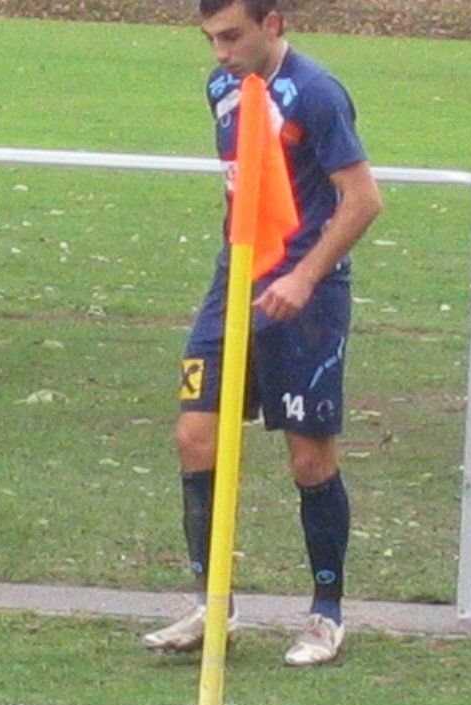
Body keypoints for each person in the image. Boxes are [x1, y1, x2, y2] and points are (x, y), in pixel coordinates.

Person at [143, 0, 382, 665]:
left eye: (232, 36)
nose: (220, 52)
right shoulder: (221, 88)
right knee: (194, 435)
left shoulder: (317, 94)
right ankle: (211, 605)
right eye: (210, 39)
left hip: (306, 292)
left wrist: (303, 277)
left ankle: (326, 615)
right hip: (234, 281)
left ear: (273, 24)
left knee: (309, 457)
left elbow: (364, 199)